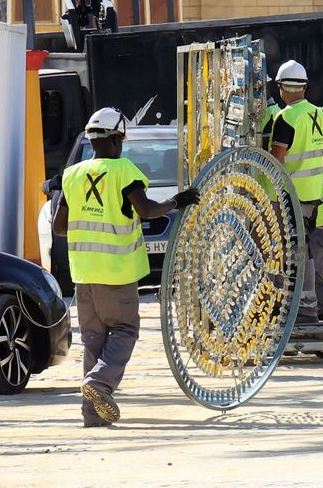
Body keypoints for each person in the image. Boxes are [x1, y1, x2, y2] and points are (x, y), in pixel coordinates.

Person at [60, 107, 199, 426]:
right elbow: (147, 209)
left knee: (93, 340)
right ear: (118, 138)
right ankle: (100, 384)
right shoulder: (124, 170)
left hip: (84, 275)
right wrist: (178, 202)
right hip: (116, 273)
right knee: (124, 330)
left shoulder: (72, 175)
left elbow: (59, 225)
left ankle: (92, 415)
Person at [268, 60, 323, 325]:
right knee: (301, 254)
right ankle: (309, 310)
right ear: (304, 86)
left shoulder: (285, 118)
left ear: (282, 88)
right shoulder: (320, 114)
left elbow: (276, 159)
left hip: (291, 196)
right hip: (313, 197)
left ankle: (303, 311)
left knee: (293, 255)